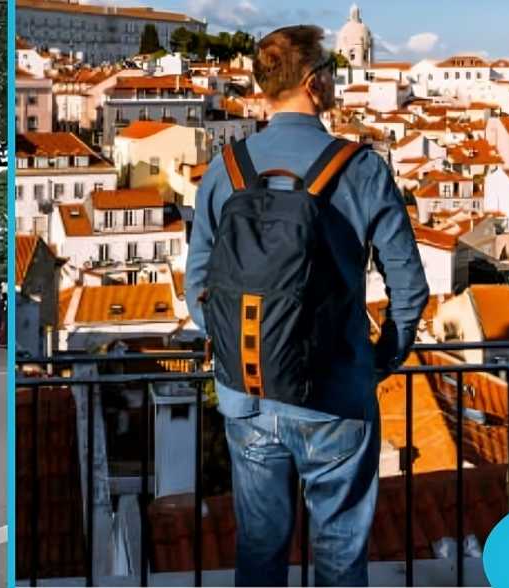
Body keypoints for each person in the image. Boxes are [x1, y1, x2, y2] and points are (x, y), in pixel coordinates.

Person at [184, 25, 428, 586]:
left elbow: (198, 284)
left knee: (260, 550)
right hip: (336, 391)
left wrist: (244, 342)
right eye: (331, 73)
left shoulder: (228, 166)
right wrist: (378, 359)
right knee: (340, 557)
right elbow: (409, 290)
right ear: (316, 84)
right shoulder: (361, 168)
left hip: (247, 391)